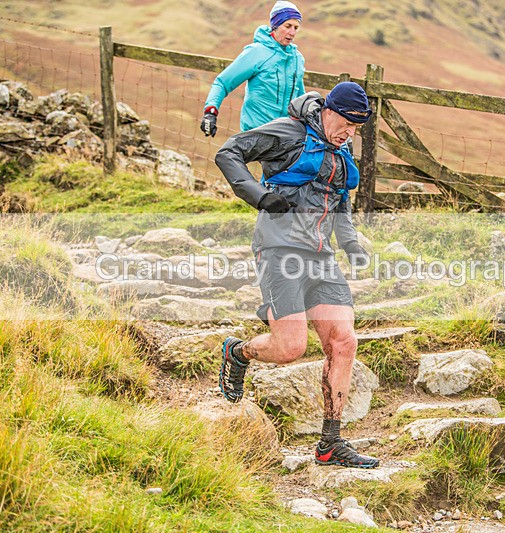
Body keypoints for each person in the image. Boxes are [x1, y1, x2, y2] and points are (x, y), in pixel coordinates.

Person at [214, 81, 379, 469]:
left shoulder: (342, 144)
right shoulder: (287, 133)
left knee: (344, 343)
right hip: (280, 249)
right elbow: (229, 152)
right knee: (290, 348)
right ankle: (237, 352)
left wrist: (350, 243)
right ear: (328, 110)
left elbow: (340, 198)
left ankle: (330, 443)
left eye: (357, 128)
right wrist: (259, 196)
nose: (350, 134)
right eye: (347, 124)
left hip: (321, 255)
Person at [200, 1, 306, 136]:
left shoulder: (297, 58)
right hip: (257, 132)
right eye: (288, 26)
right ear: (275, 25)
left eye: (296, 28)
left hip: (285, 133)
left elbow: (300, 97)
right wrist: (210, 112)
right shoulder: (256, 52)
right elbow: (222, 83)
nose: (292, 32)